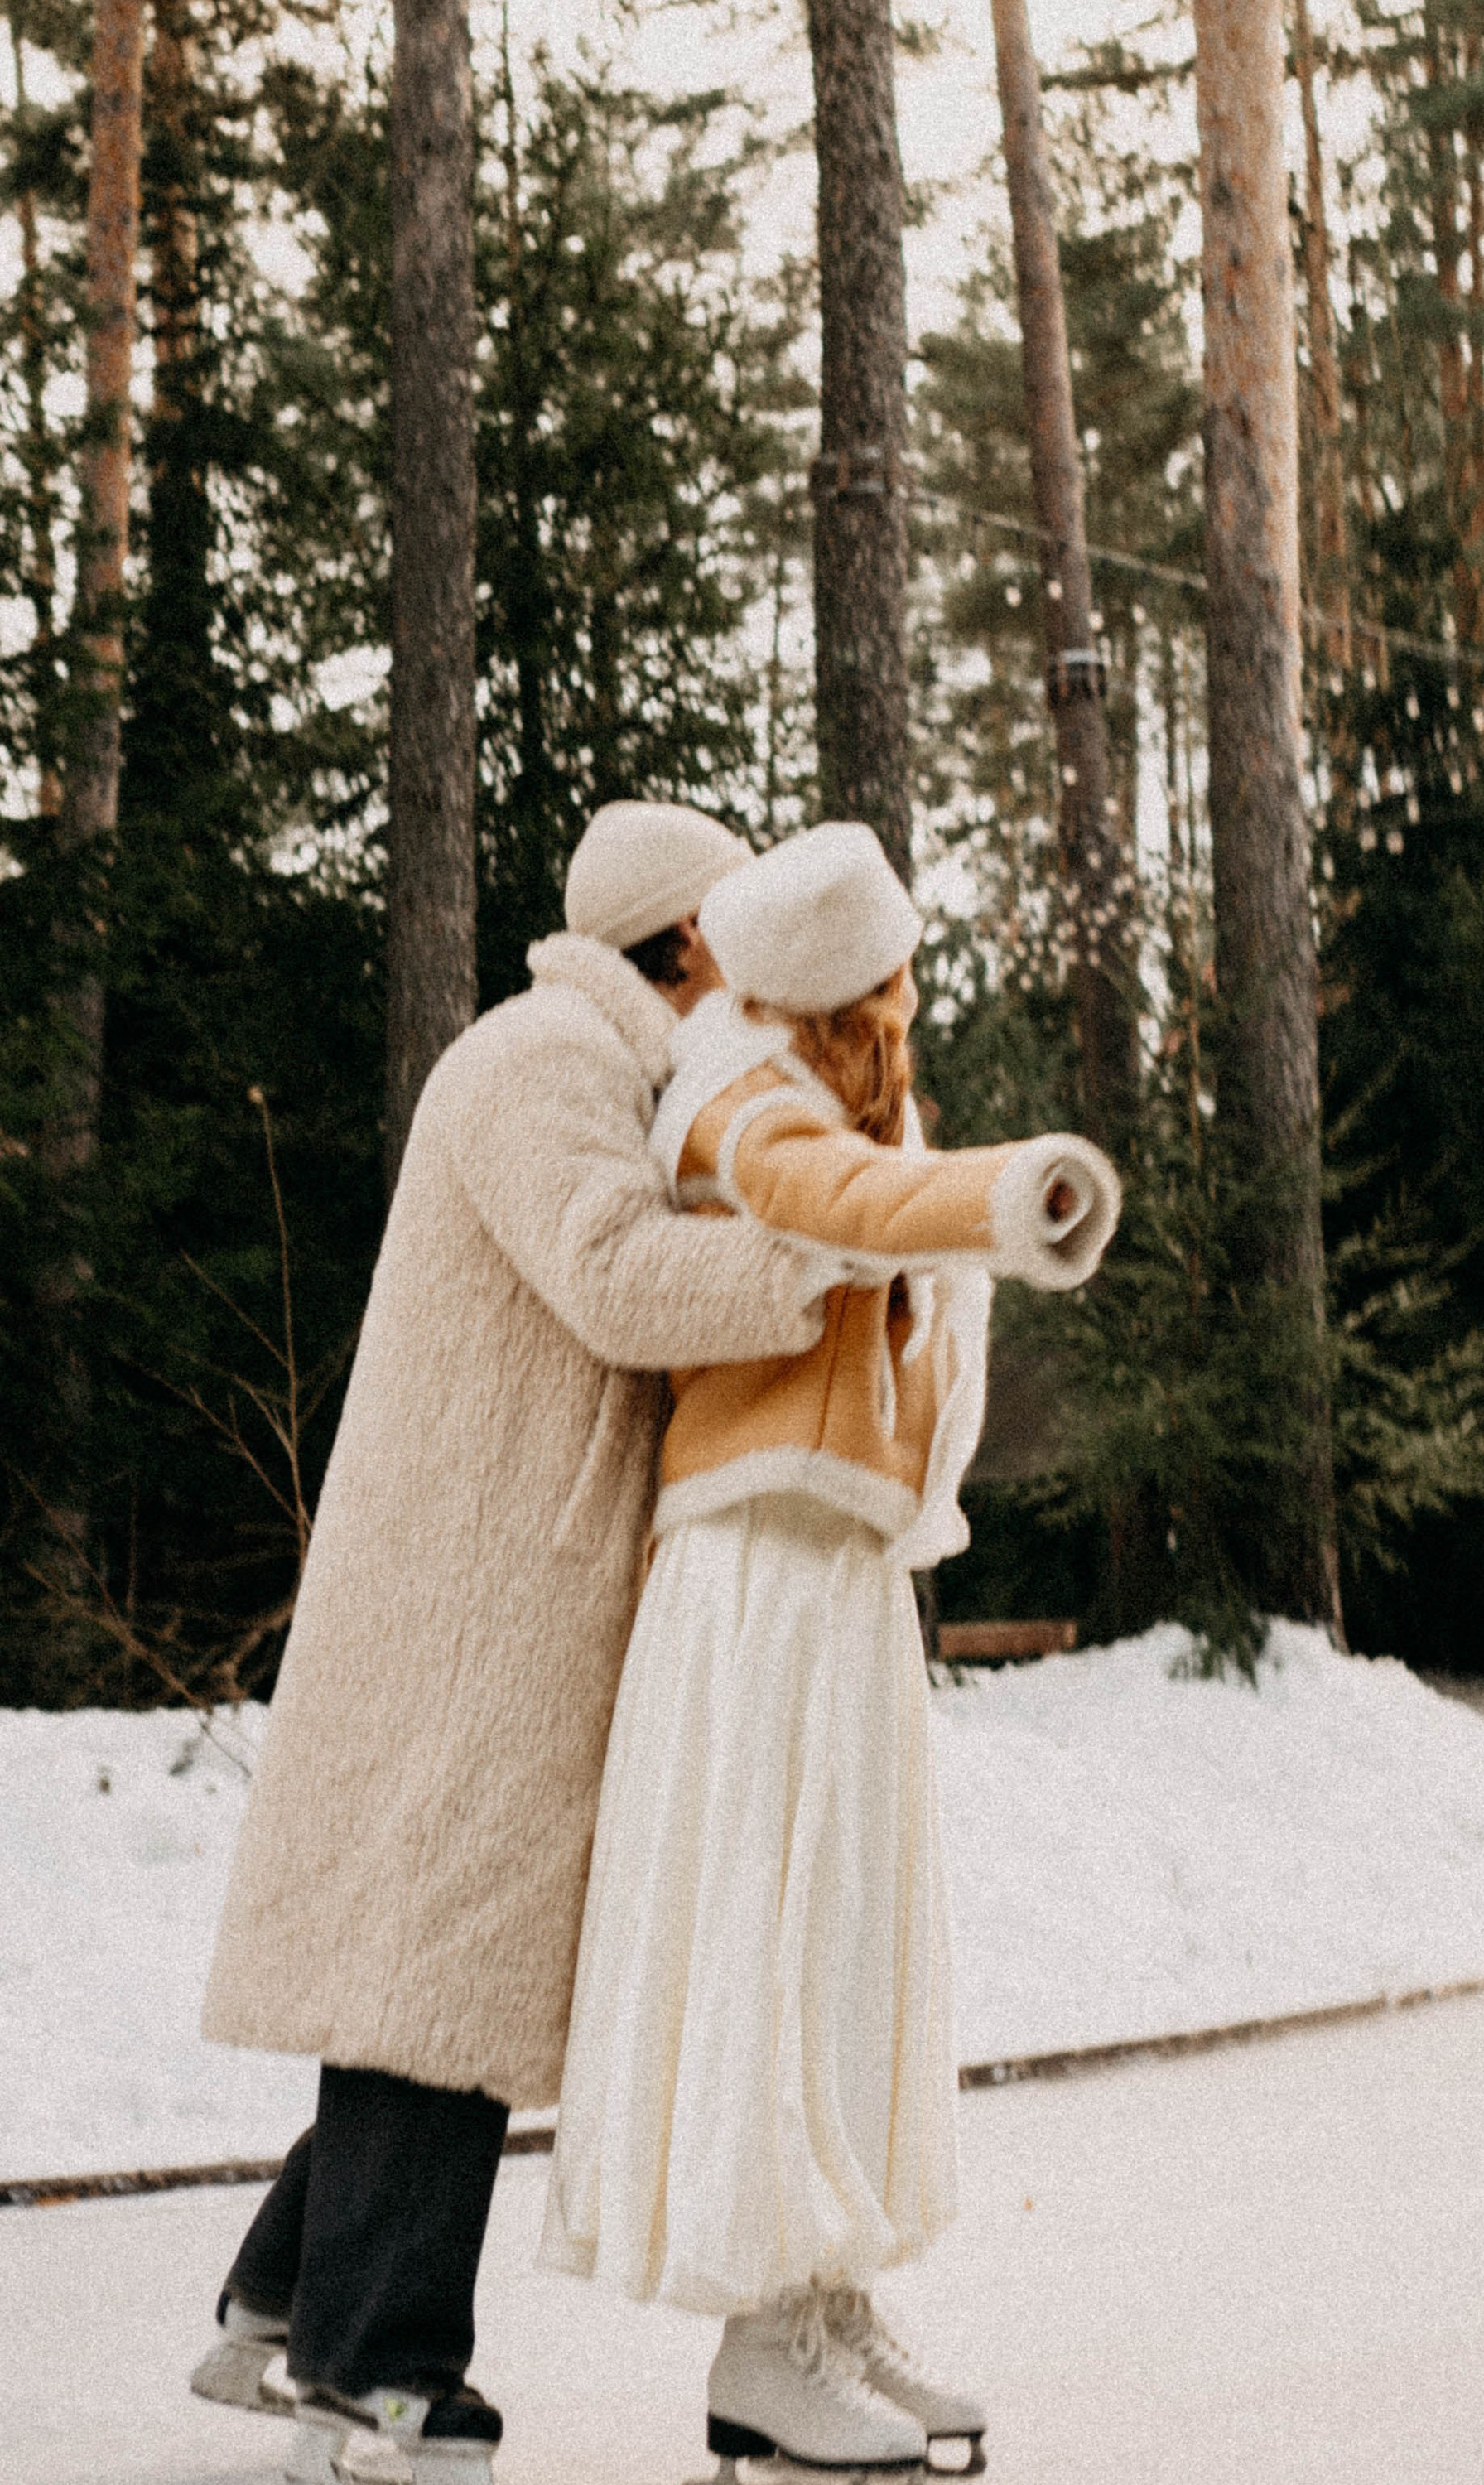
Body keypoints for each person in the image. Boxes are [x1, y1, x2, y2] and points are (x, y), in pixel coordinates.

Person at [191, 802, 841, 2485]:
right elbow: (614, 1274)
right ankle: (375, 2369)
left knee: (438, 1964)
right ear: (685, 941)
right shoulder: (541, 1059)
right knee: (440, 1974)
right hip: (469, 1604)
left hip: (499, 1586)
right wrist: (819, 1274)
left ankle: (281, 2302)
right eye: (741, 947)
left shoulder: (596, 1065)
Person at [538, 822, 1120, 2478]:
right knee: (776, 1928)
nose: (900, 1005)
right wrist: (1003, 1196)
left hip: (835, 1562)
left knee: (848, 1933)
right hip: (755, 1571)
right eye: (884, 980)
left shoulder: (836, 1083)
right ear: (837, 986)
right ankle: (757, 2339)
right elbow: (835, 1201)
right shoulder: (737, 1092)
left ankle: (822, 2294)